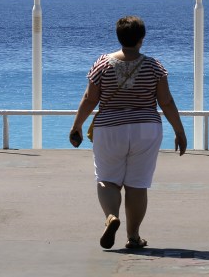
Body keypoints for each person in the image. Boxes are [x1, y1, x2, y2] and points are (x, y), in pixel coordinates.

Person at [69, 15, 187, 250]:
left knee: (107, 180)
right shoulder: (154, 66)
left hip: (110, 128)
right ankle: (133, 236)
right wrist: (179, 130)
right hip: (146, 128)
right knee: (137, 184)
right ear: (142, 39)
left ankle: (111, 216)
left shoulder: (102, 64)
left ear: (119, 36)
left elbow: (90, 98)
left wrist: (77, 125)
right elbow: (166, 101)